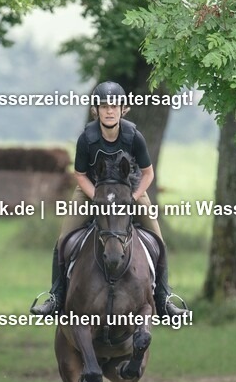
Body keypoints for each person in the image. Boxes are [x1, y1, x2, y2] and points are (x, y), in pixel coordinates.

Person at [30, 80, 189, 318]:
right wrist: (99, 199)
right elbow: (80, 174)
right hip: (91, 191)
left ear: (123, 109)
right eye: (104, 106)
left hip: (131, 191)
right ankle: (56, 297)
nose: (110, 110)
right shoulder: (87, 138)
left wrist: (133, 199)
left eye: (115, 106)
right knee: (63, 240)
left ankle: (164, 299)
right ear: (96, 110)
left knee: (158, 239)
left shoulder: (134, 136)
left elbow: (148, 174)